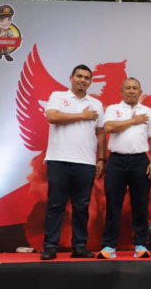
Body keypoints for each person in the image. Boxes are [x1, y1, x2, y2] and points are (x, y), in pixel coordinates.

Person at [40, 65, 106, 260]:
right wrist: (82, 115)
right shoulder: (58, 97)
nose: (82, 80)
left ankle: (79, 246)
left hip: (86, 162)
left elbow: (101, 132)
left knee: (82, 206)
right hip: (59, 159)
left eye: (86, 77)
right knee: (55, 205)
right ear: (71, 78)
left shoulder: (96, 104)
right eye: (79, 76)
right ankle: (50, 246)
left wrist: (102, 158)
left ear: (90, 82)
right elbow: (52, 117)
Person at [97, 78, 151, 259]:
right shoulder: (113, 109)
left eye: (135, 88)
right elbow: (109, 127)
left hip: (140, 161)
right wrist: (133, 121)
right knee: (113, 205)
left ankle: (140, 244)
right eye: (128, 88)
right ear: (121, 91)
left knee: (140, 205)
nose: (131, 91)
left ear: (140, 92)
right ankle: (109, 246)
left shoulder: (148, 112)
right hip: (116, 161)